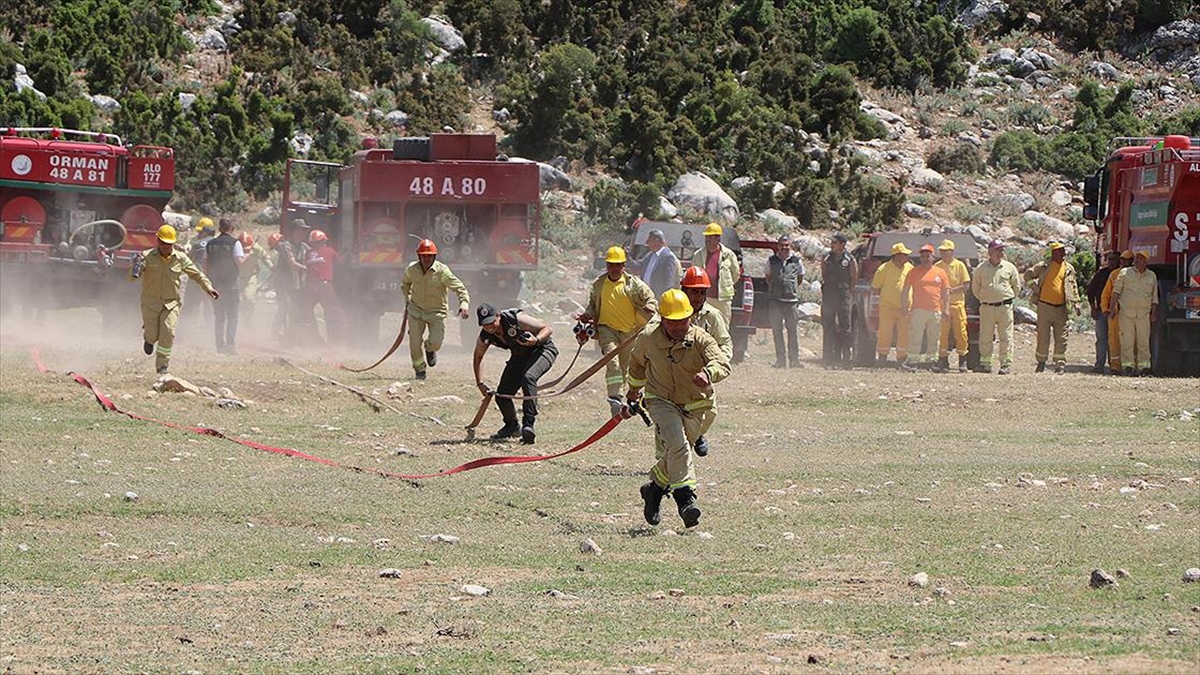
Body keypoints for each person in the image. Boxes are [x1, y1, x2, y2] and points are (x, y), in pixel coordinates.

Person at [628, 289, 730, 529]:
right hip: (661, 400)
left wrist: (708, 373)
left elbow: (722, 363)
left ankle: (654, 489)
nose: (678, 327)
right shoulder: (648, 338)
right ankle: (686, 501)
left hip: (697, 404)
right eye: (672, 322)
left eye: (683, 320)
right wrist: (633, 390)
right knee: (678, 445)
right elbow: (636, 364)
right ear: (662, 318)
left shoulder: (701, 338)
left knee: (677, 452)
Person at [132, 224, 219, 374]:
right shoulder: (146, 256)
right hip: (150, 303)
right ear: (158, 241)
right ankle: (149, 339)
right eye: (163, 243)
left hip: (171, 303)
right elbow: (132, 277)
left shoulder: (181, 258)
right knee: (153, 336)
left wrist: (208, 287)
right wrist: (135, 266)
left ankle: (162, 366)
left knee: (168, 331)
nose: (166, 247)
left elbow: (196, 274)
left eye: (169, 244)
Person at [579, 246, 657, 410]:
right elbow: (593, 306)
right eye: (611, 265)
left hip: (630, 332)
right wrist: (587, 315)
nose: (614, 269)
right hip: (607, 330)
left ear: (623, 265)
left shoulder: (633, 283)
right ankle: (615, 398)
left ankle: (629, 398)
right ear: (606, 265)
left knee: (626, 367)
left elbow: (650, 298)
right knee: (612, 362)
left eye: (618, 265)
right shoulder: (599, 284)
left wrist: (649, 306)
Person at [472, 303, 558, 444]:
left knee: (528, 378)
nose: (489, 327)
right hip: (520, 355)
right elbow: (478, 357)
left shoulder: (516, 319)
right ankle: (512, 426)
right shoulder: (485, 335)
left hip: (542, 349)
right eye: (485, 324)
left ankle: (528, 425)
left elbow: (547, 328)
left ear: (498, 316)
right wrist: (480, 383)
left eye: (492, 322)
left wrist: (535, 340)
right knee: (502, 394)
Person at [677, 266, 730, 459]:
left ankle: (696, 435)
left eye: (702, 292)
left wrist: (717, 365)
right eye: (693, 292)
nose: (698, 297)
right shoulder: (673, 312)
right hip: (674, 375)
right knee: (671, 422)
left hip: (701, 377)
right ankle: (669, 465)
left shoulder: (712, 316)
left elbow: (724, 342)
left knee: (710, 412)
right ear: (684, 291)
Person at [401, 238, 470, 380]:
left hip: (436, 312)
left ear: (435, 256)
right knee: (414, 342)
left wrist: (464, 303)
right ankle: (420, 370)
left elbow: (459, 288)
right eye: (424, 255)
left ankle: (430, 349)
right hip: (416, 311)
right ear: (418, 256)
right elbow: (405, 283)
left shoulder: (442, 271)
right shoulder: (411, 269)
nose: (426, 259)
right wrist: (407, 298)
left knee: (436, 342)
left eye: (430, 256)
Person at [1025, 242, 1081, 374]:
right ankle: (1041, 362)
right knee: (1043, 336)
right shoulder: (1043, 267)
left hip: (1061, 308)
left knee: (1062, 337)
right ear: (1053, 253)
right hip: (1045, 307)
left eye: (1063, 251)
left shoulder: (1068, 268)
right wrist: (1035, 288)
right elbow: (1027, 276)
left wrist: (1076, 303)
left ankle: (1060, 364)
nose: (1063, 254)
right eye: (1060, 251)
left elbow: (1073, 287)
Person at [971, 240, 1021, 374]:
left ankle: (1005, 364)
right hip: (987, 307)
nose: (1001, 253)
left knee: (1006, 336)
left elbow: (1016, 287)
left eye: (1002, 250)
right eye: (997, 250)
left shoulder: (1009, 267)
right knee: (986, 336)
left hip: (1004, 307)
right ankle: (986, 364)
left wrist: (1006, 297)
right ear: (990, 252)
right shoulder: (981, 269)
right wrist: (986, 298)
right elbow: (975, 288)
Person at [900, 244, 950, 372]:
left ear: (933, 257)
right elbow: (905, 290)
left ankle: (931, 362)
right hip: (918, 310)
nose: (925, 258)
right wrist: (905, 306)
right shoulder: (913, 272)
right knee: (915, 337)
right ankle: (912, 361)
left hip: (936, 310)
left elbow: (945, 292)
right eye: (922, 256)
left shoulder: (940, 272)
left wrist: (946, 309)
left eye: (928, 256)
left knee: (934, 338)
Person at [1110, 250, 1159, 376]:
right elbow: (1116, 291)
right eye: (1137, 258)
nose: (1138, 260)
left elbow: (1154, 297)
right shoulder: (1125, 273)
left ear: (1146, 261)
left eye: (1141, 258)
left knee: (1143, 342)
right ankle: (1128, 367)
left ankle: (1144, 368)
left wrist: (1153, 313)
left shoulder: (1151, 276)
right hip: (1126, 314)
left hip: (1143, 315)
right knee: (1127, 341)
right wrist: (1112, 308)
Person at [204, 218, 245, 354]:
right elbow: (239, 262)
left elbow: (205, 265)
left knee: (219, 317)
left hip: (216, 286)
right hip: (231, 285)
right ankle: (230, 346)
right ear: (232, 229)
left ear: (219, 229)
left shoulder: (210, 244)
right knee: (232, 316)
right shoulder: (235, 243)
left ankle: (219, 346)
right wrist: (248, 256)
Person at [765, 234, 804, 368]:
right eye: (782, 245)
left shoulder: (796, 261)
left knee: (792, 332)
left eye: (787, 245)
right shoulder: (771, 261)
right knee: (777, 332)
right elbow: (768, 277)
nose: (784, 248)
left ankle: (794, 361)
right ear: (778, 246)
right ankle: (780, 361)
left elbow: (799, 278)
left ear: (790, 246)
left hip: (791, 301)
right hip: (775, 301)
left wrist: (789, 288)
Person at [303, 229, 348, 344]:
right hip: (324, 287)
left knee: (306, 313)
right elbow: (341, 263)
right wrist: (347, 254)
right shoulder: (330, 251)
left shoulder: (308, 254)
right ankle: (336, 341)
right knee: (334, 313)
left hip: (310, 287)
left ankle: (312, 340)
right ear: (323, 241)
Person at [871, 242, 913, 365]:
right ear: (897, 255)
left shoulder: (910, 268)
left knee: (904, 333)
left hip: (905, 308)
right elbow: (875, 287)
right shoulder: (883, 269)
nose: (906, 257)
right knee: (885, 332)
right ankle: (882, 357)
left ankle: (901, 359)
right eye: (904, 254)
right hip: (887, 307)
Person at [821, 232, 858, 369]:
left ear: (842, 244)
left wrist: (847, 292)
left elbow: (854, 277)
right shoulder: (826, 258)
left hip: (843, 295)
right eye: (832, 242)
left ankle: (846, 360)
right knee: (828, 327)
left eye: (835, 243)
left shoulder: (849, 259)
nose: (832, 245)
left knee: (845, 328)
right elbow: (824, 274)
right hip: (829, 295)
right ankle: (828, 360)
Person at [690, 222, 740, 325]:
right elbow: (693, 275)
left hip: (722, 300)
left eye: (710, 237)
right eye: (706, 236)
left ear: (718, 238)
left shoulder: (728, 255)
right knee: (702, 326)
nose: (707, 239)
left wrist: (724, 286)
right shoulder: (698, 255)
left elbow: (735, 274)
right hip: (704, 298)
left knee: (723, 327)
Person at [935, 239, 971, 373]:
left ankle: (963, 359)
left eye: (946, 250)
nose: (943, 253)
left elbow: (966, 284)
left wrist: (953, 290)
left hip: (957, 304)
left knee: (961, 332)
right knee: (943, 333)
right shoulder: (937, 266)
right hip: (942, 304)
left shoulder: (960, 265)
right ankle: (943, 360)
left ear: (952, 251)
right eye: (942, 250)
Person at [1086, 251, 1122, 374]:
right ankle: (1099, 366)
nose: (1112, 261)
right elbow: (1090, 291)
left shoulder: (1122, 274)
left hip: (1117, 313)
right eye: (1109, 259)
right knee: (1101, 339)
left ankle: (1114, 366)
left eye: (1114, 259)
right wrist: (1093, 308)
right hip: (1102, 313)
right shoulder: (1101, 274)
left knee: (1115, 339)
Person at [276, 219, 312, 339]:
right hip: (284, 284)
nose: (304, 232)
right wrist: (309, 269)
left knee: (297, 310)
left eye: (305, 230)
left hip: (297, 284)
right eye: (302, 229)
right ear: (295, 230)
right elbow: (292, 264)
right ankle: (282, 335)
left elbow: (313, 258)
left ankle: (294, 336)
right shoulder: (286, 245)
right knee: (285, 308)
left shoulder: (304, 246)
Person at [1100, 250, 1134, 374]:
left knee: (1130, 341)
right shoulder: (1114, 274)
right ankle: (1115, 367)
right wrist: (1105, 309)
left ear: (1132, 261)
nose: (1124, 262)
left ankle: (1129, 367)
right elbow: (1106, 294)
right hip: (1115, 313)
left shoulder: (1136, 275)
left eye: (1127, 260)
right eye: (1122, 259)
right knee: (1114, 340)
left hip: (1130, 314)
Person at [238, 231, 273, 334]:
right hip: (237, 277)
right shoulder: (234, 248)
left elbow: (265, 258)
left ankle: (247, 318)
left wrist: (272, 268)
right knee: (234, 300)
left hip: (250, 277)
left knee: (249, 299)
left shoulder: (257, 248)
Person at [630, 228, 681, 298]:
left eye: (649, 240)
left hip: (658, 299)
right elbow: (638, 267)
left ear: (656, 241)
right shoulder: (650, 255)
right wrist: (627, 257)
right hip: (646, 297)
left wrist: (665, 300)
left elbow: (669, 282)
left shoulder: (668, 257)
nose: (647, 243)